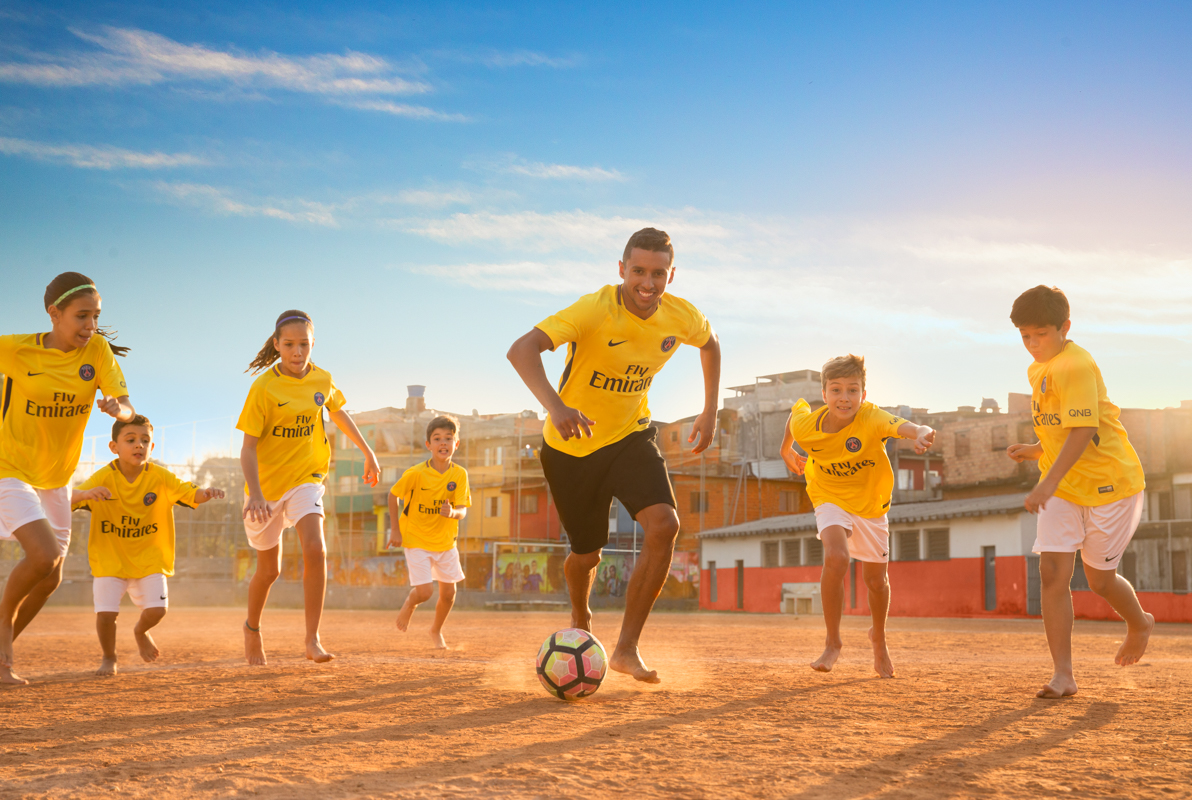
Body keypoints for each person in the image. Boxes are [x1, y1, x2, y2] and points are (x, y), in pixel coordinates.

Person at [507, 227, 721, 684]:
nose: (647, 282)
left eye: (658, 273)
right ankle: (581, 615)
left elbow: (710, 343)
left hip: (630, 437)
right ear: (622, 269)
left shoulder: (681, 316)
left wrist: (710, 410)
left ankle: (626, 648)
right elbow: (521, 350)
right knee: (586, 556)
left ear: (671, 275)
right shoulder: (594, 309)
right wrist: (557, 408)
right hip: (571, 448)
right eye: (638, 271)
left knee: (665, 525)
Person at [1006, 285, 1151, 698]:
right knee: (1052, 573)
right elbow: (1063, 424)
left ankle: (1140, 622)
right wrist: (1038, 449)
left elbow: (1085, 428)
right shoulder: (1039, 369)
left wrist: (1046, 483)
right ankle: (1063, 675)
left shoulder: (1076, 364)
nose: (1033, 344)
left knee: (1100, 582)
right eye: (1025, 336)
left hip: (1111, 485)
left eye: (1041, 334)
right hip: (1065, 486)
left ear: (1064, 327)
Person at [0, 272, 135, 685]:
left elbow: (127, 406)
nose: (90, 325)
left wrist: (117, 410)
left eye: (96, 316)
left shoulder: (97, 351)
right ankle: (2, 633)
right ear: (54, 313)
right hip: (9, 468)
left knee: (52, 575)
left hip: (56, 478)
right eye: (81, 316)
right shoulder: (16, 349)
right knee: (43, 556)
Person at [780, 355, 935, 678]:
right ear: (824, 394)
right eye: (836, 390)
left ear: (863, 394)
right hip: (828, 495)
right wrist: (786, 449)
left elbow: (903, 426)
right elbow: (795, 416)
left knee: (876, 582)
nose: (844, 397)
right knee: (836, 557)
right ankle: (832, 642)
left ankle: (879, 637)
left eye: (852, 390)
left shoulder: (871, 417)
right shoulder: (808, 427)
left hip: (870, 504)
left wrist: (920, 431)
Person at [238, 310, 379, 665]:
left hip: (308, 477)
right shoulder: (263, 388)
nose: (297, 351)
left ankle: (312, 639)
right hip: (265, 488)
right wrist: (256, 494)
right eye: (289, 344)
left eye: (304, 344)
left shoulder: (322, 379)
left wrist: (368, 452)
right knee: (269, 571)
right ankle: (252, 629)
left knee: (316, 550)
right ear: (277, 345)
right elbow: (248, 448)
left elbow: (338, 412)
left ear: (313, 344)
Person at [71, 414, 225, 676]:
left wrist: (206, 493)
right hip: (110, 559)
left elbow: (191, 492)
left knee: (157, 610)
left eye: (145, 440)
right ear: (114, 446)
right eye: (130, 440)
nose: (138, 445)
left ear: (151, 447)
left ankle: (140, 631)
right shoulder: (103, 477)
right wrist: (86, 494)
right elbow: (67, 499)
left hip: (150, 559)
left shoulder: (160, 477)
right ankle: (109, 657)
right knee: (106, 614)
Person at [387, 415, 470, 649]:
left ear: (456, 443)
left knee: (449, 594)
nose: (443, 442)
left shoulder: (460, 474)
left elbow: (462, 510)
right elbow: (393, 496)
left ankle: (436, 630)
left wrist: (453, 512)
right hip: (416, 539)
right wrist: (395, 531)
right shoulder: (416, 473)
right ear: (428, 445)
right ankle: (410, 603)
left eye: (448, 438)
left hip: (446, 542)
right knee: (424, 592)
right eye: (437, 438)